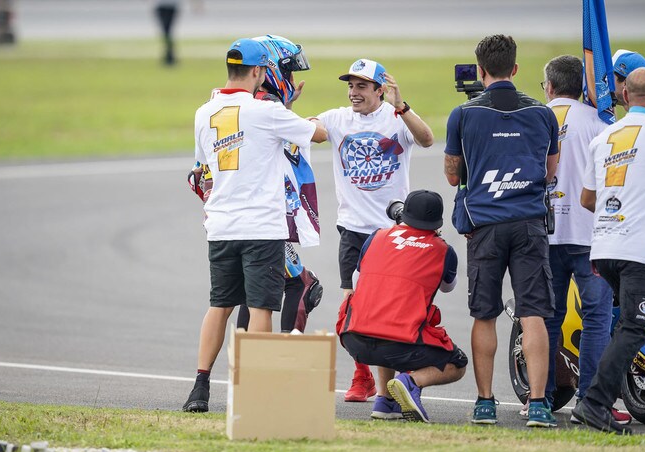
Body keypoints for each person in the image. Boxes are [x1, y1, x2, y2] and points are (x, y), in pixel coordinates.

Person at [182, 38, 327, 413]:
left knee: (220, 305)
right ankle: (257, 391)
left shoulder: (204, 111)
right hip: (261, 226)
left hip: (221, 226)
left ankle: (200, 387)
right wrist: (300, 115)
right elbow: (318, 136)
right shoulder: (267, 112)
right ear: (261, 72)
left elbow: (206, 164)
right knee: (261, 306)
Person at [443, 34, 558, 427]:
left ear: (479, 70)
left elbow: (453, 172)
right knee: (533, 314)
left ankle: (485, 402)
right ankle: (539, 404)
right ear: (515, 68)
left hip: (485, 228)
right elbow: (549, 172)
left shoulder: (463, 113)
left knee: (485, 314)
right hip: (529, 224)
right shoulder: (543, 114)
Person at [315, 58, 434, 403]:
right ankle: (361, 375)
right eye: (351, 86)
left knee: (395, 306)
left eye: (362, 86)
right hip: (353, 228)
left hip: (393, 231)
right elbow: (315, 129)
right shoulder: (338, 118)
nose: (354, 92)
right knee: (351, 304)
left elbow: (426, 140)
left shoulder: (396, 120)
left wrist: (403, 108)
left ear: (380, 90)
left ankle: (400, 378)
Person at [575, 68, 645, 434]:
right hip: (637, 249)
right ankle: (594, 403)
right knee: (637, 323)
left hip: (603, 247)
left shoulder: (603, 138)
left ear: (624, 98)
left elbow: (587, 198)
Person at [535, 55, 632, 425]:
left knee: (546, 317)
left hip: (544, 233)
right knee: (597, 318)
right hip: (590, 234)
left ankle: (539, 399)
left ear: (550, 86)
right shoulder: (601, 122)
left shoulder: (535, 116)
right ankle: (592, 402)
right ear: (585, 86)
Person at [336, 190, 467, 422]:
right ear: (437, 222)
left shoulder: (376, 236)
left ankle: (385, 401)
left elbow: (357, 282)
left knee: (384, 314)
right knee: (457, 364)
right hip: (399, 343)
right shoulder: (443, 249)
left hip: (354, 339)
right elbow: (448, 287)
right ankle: (411, 382)